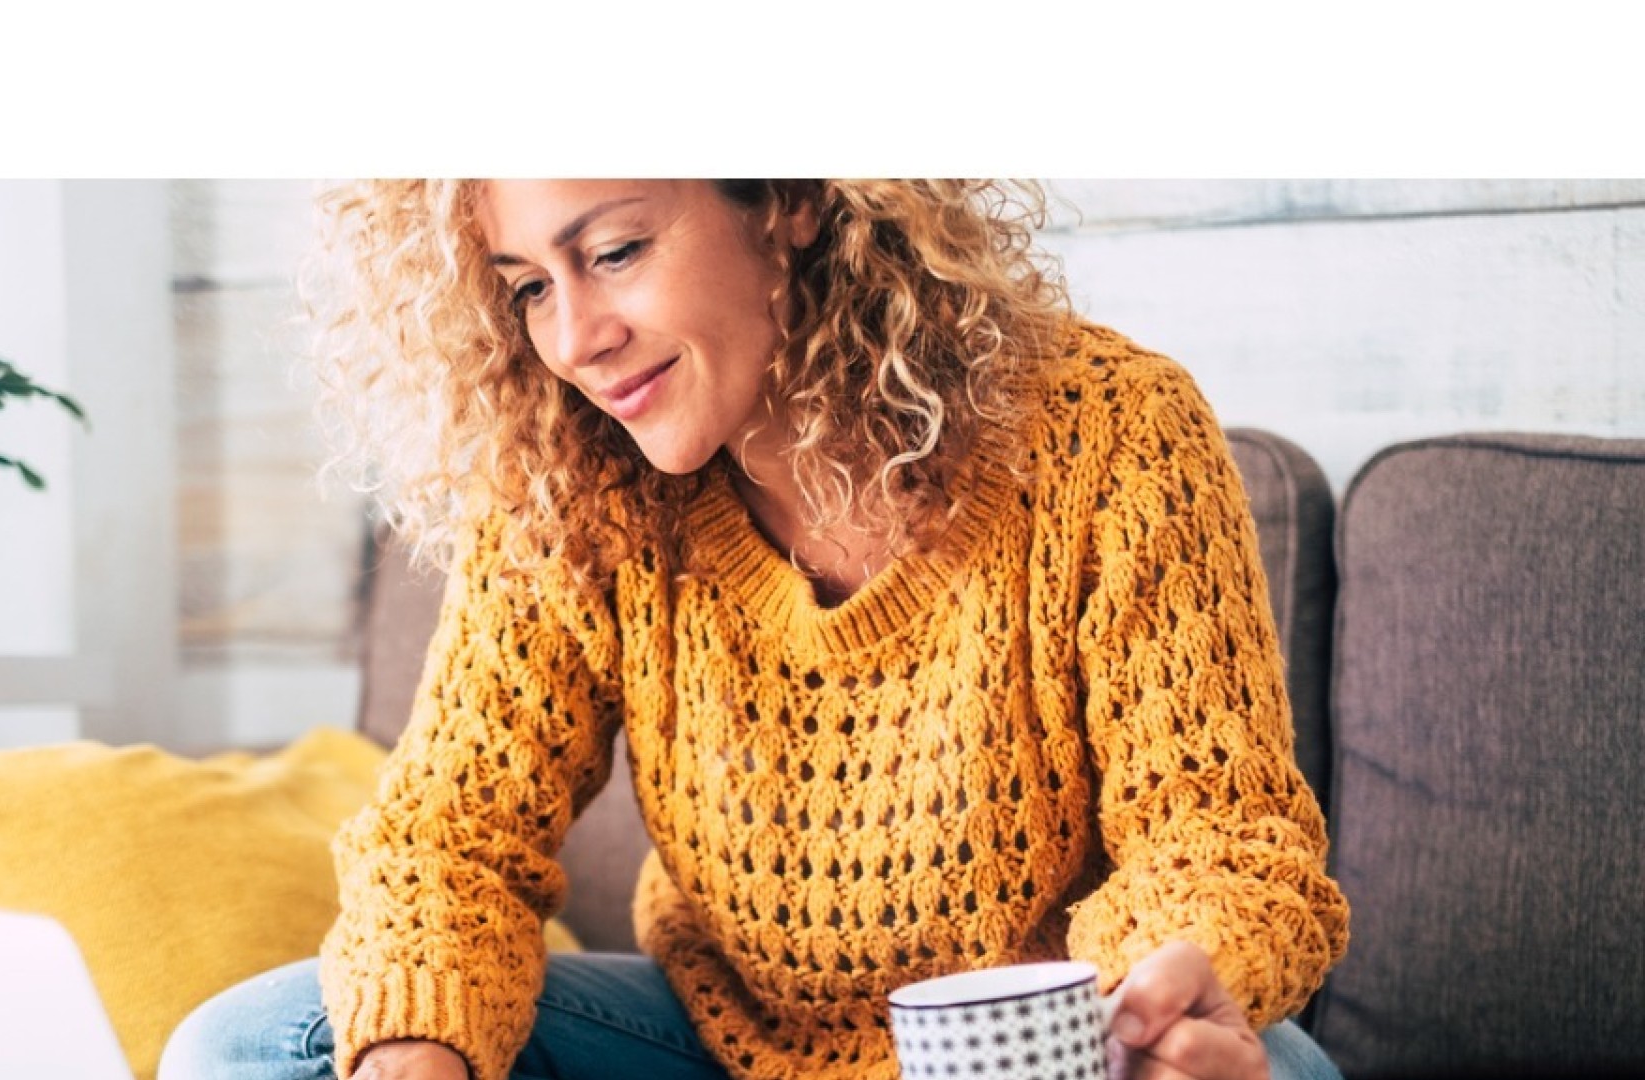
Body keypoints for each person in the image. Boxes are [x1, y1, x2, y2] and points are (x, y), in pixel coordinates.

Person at [161, 179, 1350, 1080]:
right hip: (729, 1048)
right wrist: (414, 1056)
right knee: (262, 1044)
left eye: (615, 253)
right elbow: (448, 842)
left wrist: (1136, 1010)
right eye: (529, 285)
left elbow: (1221, 840)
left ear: (785, 201)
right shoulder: (574, 485)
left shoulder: (1112, 434)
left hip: (1050, 1046)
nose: (574, 338)